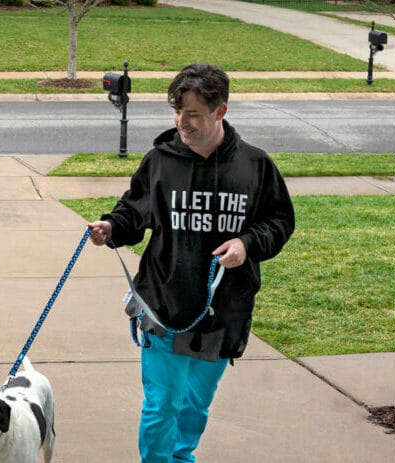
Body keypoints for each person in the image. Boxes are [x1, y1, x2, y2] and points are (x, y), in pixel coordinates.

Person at [86, 63, 295, 463]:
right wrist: (111, 227)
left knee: (193, 408)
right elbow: (134, 211)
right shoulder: (160, 161)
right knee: (161, 405)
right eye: (178, 111)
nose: (182, 122)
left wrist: (247, 244)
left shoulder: (255, 166)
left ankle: (181, 458)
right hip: (163, 305)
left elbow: (280, 221)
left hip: (222, 312)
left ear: (221, 111)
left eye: (193, 113)